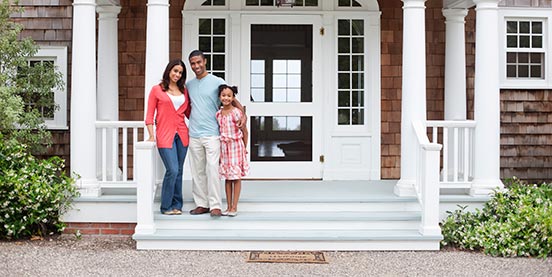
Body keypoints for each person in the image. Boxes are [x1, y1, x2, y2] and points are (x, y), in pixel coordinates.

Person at [186, 50, 246, 217]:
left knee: (212, 168)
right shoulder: (189, 85)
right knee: (197, 170)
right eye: (193, 63)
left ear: (205, 61)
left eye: (199, 62)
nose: (196, 66)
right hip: (194, 133)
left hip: (212, 132)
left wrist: (244, 117)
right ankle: (201, 204)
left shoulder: (216, 81)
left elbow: (233, 101)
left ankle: (215, 205)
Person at [145, 59, 190, 215]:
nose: (177, 74)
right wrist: (151, 135)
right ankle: (166, 206)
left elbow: (190, 113)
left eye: (180, 72)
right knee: (172, 169)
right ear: (169, 71)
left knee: (179, 171)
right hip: (165, 135)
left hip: (183, 135)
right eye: (175, 71)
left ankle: (177, 204)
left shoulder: (184, 91)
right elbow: (150, 115)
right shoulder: (157, 90)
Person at [216, 85, 249, 217]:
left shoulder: (236, 113)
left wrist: (244, 148)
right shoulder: (218, 114)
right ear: (219, 97)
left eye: (229, 96)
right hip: (224, 149)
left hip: (236, 147)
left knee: (236, 178)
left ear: (233, 98)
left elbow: (245, 132)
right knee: (227, 179)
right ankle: (228, 206)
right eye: (223, 95)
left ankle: (234, 206)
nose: (226, 98)